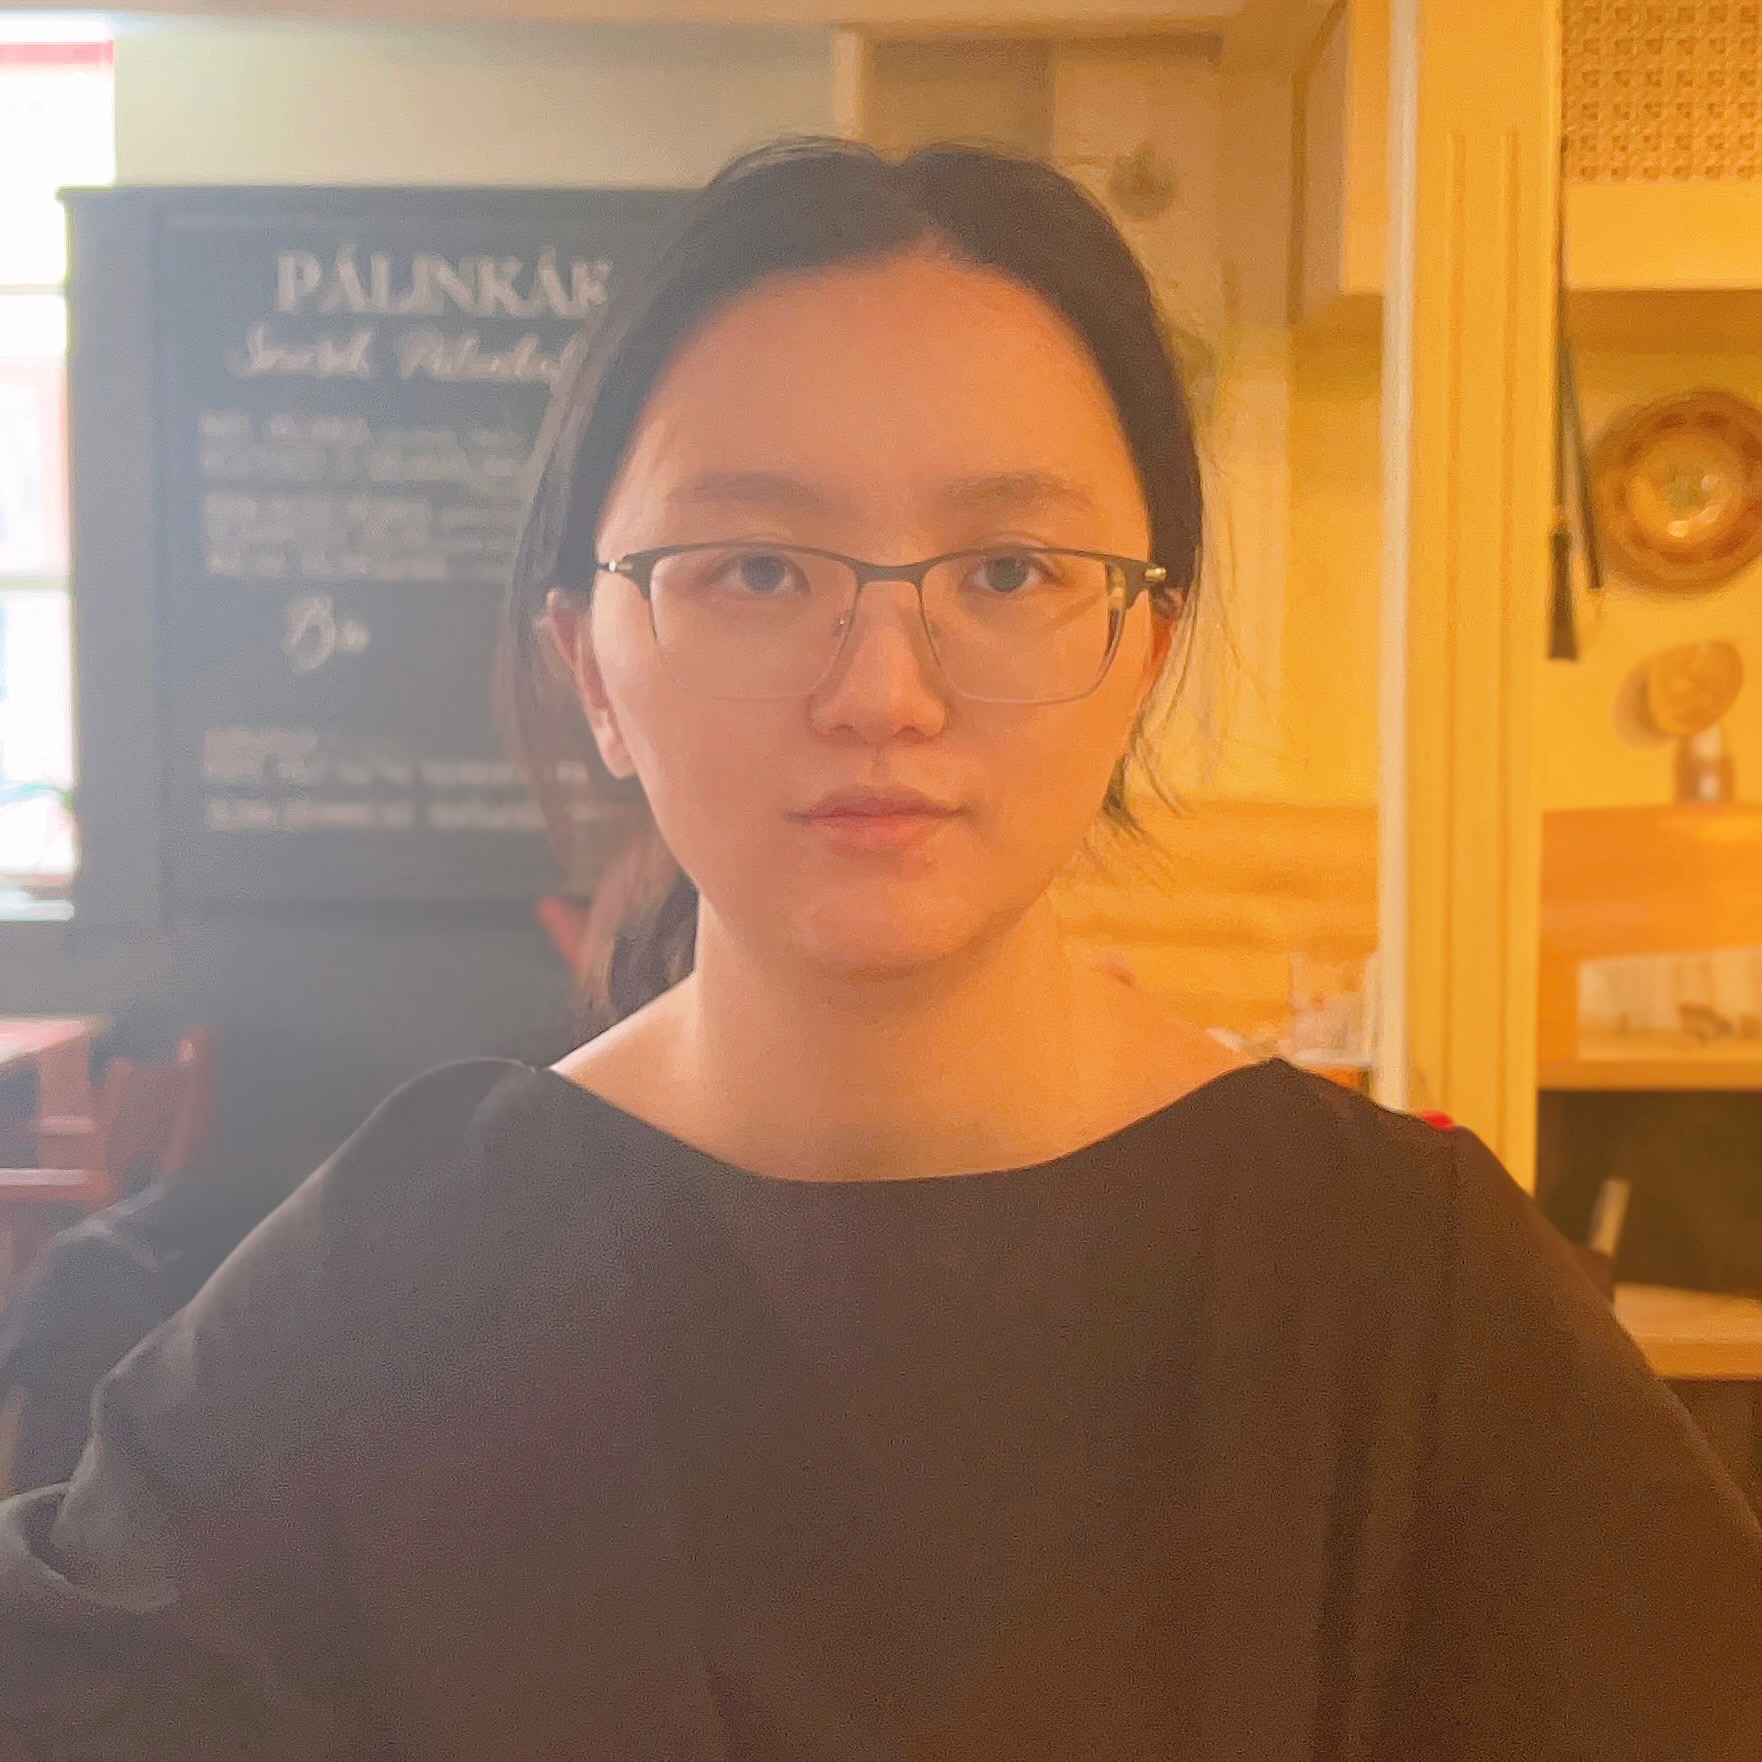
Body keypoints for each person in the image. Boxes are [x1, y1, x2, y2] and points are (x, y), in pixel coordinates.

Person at [2, 138, 1759, 1761]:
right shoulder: (398, 1273)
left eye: (1007, 568)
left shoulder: (1402, 1285)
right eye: (757, 567)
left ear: (1145, 649)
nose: (882, 693)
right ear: (589, 666)